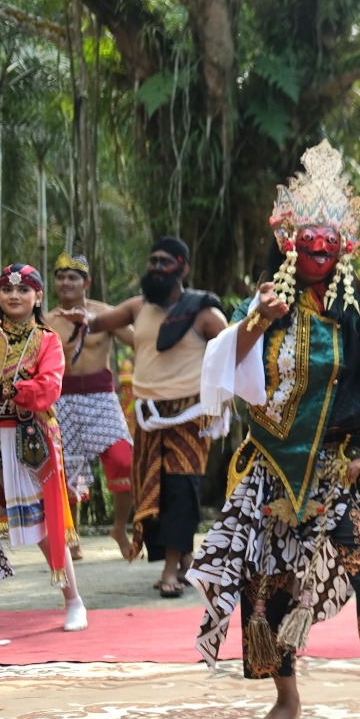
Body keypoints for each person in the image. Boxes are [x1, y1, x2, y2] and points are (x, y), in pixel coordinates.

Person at [188, 141, 360, 719]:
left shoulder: (359, 310)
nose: (318, 251)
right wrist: (259, 319)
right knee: (268, 587)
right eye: (309, 241)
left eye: (329, 242)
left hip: (343, 469)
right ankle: (286, 699)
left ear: (343, 246)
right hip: (272, 469)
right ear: (290, 243)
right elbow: (227, 365)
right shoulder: (264, 304)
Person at [63, 238, 225, 596]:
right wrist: (83, 319)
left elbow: (232, 353)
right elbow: (99, 321)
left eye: (165, 261)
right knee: (155, 490)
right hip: (149, 416)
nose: (156, 267)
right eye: (153, 260)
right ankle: (184, 558)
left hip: (190, 416)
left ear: (183, 268)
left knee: (181, 489)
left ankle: (170, 571)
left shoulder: (205, 314)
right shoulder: (138, 307)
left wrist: (224, 401)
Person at [0, 264, 88, 631]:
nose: (14, 295)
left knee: (43, 525)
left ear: (38, 297)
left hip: (29, 440)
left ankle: (74, 600)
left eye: (23, 289)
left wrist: (1, 390)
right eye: (7, 289)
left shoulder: (46, 340)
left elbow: (49, 388)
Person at [44, 254, 136, 560]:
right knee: (68, 470)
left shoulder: (106, 314)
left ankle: (119, 528)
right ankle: (72, 538)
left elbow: (139, 342)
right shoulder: (47, 321)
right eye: (60, 277)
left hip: (102, 398)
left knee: (123, 459)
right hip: (62, 400)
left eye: (73, 277)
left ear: (87, 283)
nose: (65, 282)